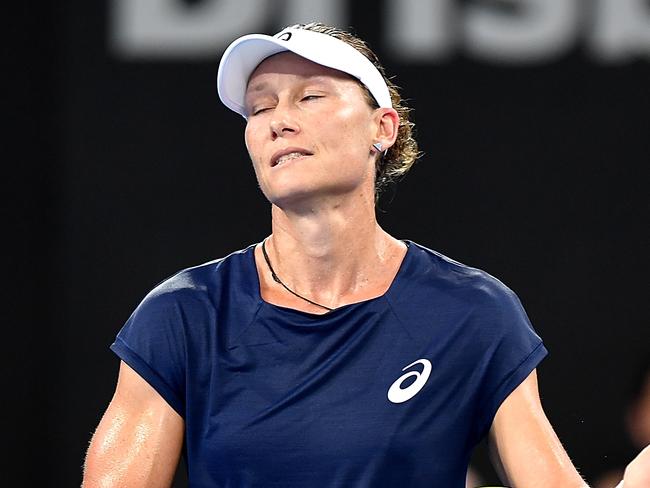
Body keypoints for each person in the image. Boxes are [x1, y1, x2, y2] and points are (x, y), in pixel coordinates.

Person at [82, 23, 591, 487]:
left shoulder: (473, 312)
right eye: (260, 107)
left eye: (310, 97)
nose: (278, 121)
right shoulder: (183, 315)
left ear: (382, 129)